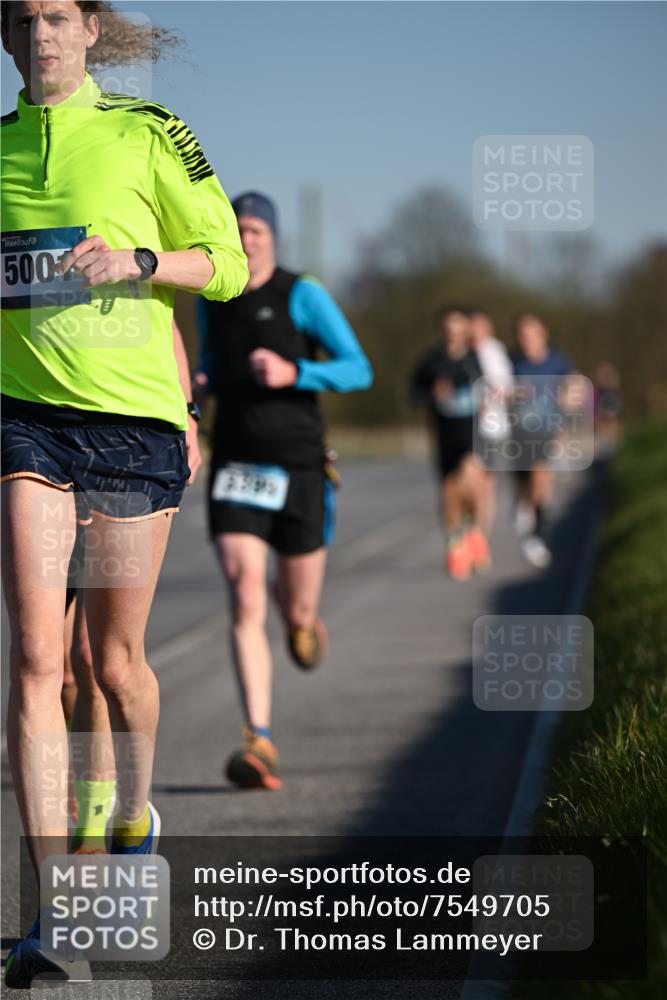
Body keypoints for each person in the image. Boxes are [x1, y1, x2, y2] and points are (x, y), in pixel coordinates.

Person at [1, 1, 247, 987]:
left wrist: (138, 262)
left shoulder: (150, 135)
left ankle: (137, 815)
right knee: (31, 660)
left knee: (112, 663)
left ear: (92, 29)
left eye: (58, 17)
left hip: (132, 427)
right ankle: (51, 915)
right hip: (23, 421)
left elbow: (224, 264)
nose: (42, 35)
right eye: (22, 20)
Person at [195, 191, 372, 791]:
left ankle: (303, 621)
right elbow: (211, 368)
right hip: (237, 468)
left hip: (299, 469)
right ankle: (260, 739)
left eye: (255, 231)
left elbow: (359, 368)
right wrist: (199, 382)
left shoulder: (304, 293)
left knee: (291, 608)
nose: (245, 241)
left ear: (273, 238)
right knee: (246, 594)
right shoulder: (212, 300)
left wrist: (299, 373)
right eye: (236, 230)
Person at [62, 320, 202, 855]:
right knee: (43, 661)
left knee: (98, 660)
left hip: (117, 448)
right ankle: (82, 809)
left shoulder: (122, 245)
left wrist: (187, 412)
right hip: (30, 442)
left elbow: (161, 320)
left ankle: (98, 825)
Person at [410, 306, 490, 580]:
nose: (453, 332)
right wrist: (431, 393)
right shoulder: (431, 361)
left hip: (472, 433)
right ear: (443, 330)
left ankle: (475, 534)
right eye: (448, 327)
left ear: (466, 329)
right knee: (449, 490)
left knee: (472, 480)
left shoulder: (475, 360)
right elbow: (413, 394)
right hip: (444, 434)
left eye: (458, 326)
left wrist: (489, 400)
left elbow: (489, 388)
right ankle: (457, 542)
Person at [509, 313, 574, 568]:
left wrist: (567, 403)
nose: (527, 340)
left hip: (546, 430)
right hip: (518, 432)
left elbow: (572, 387)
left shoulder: (558, 361)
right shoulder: (513, 362)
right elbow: (498, 390)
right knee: (524, 483)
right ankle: (522, 506)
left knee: (542, 479)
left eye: (531, 334)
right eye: (522, 336)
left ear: (543, 334)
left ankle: (536, 536)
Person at [467, 309, 513, 537]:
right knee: (470, 480)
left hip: (492, 427)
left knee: (486, 483)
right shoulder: (463, 352)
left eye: (478, 325)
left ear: (487, 328)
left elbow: (506, 389)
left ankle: (482, 533)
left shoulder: (494, 352)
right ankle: (475, 530)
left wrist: (489, 398)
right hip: (468, 426)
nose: (473, 330)